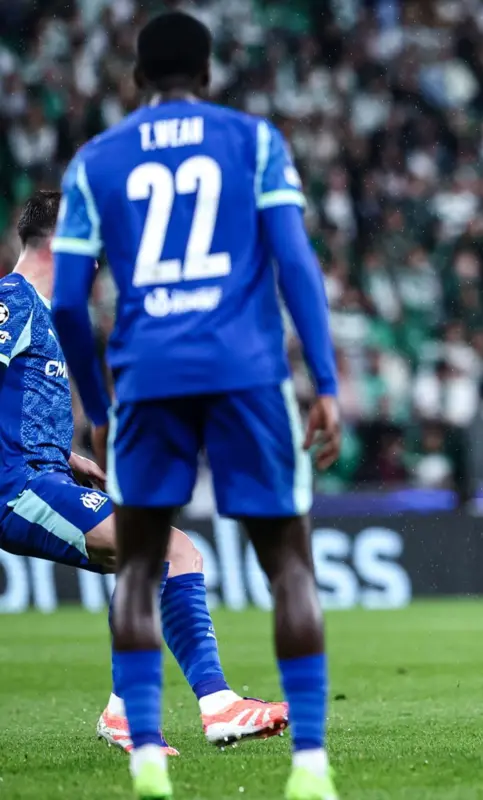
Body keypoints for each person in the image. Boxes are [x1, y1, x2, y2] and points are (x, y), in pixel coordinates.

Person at [50, 12, 341, 800]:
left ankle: (146, 752)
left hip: (147, 376)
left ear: (136, 80)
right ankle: (310, 765)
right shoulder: (253, 141)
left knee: (139, 568)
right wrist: (326, 382)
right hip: (247, 372)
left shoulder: (94, 161)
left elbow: (71, 303)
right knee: (287, 566)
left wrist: (100, 404)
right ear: (208, 75)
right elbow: (295, 263)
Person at [0, 191, 288, 756]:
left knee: (165, 558)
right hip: (18, 488)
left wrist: (62, 456)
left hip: (41, 476)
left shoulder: (46, 311)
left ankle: (126, 711)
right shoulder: (13, 301)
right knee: (171, 552)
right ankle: (216, 705)